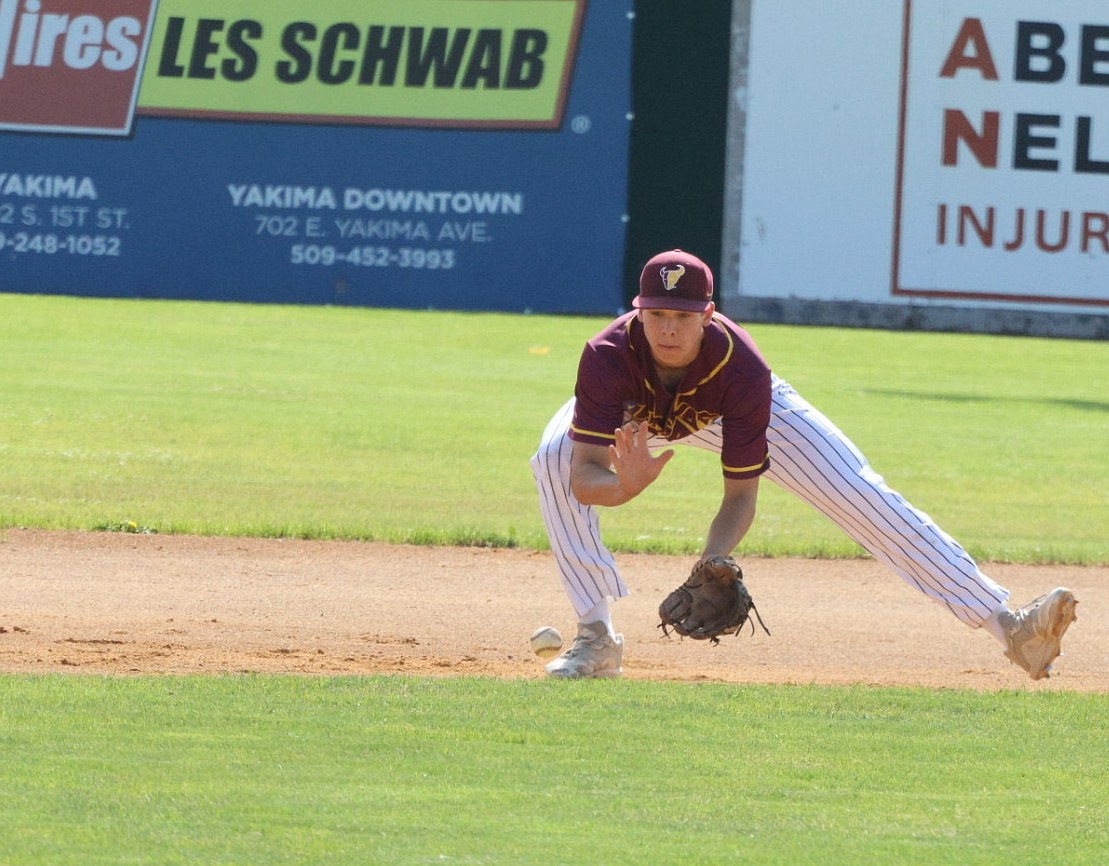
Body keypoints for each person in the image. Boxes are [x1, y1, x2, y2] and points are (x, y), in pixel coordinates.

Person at [530, 249, 1078, 680]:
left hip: (727, 408)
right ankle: (597, 638)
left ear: (709, 316)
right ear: (637, 311)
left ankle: (1011, 629)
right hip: (638, 419)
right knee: (552, 457)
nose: (668, 328)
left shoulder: (743, 369)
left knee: (856, 492)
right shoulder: (607, 355)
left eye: (682, 315)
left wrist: (713, 561)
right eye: (656, 315)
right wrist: (625, 486)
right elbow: (583, 475)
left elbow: (740, 495)